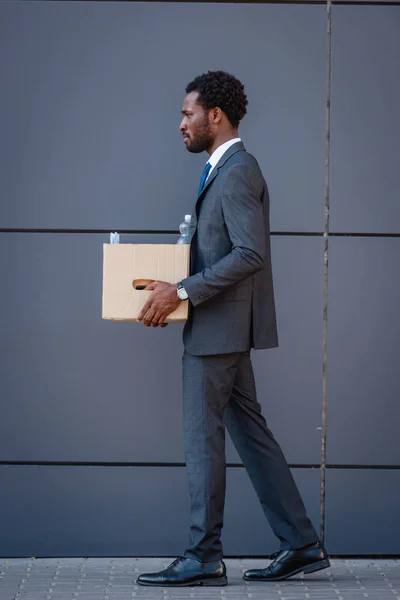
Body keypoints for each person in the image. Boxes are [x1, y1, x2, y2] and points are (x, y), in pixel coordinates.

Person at [136, 71, 330, 587]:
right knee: (254, 437)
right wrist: (175, 282)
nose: (181, 124)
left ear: (214, 116)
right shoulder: (222, 169)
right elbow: (221, 252)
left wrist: (181, 291)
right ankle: (302, 543)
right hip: (224, 330)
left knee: (203, 443)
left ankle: (204, 554)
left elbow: (250, 253)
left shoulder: (238, 170)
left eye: (187, 113)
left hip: (216, 333)